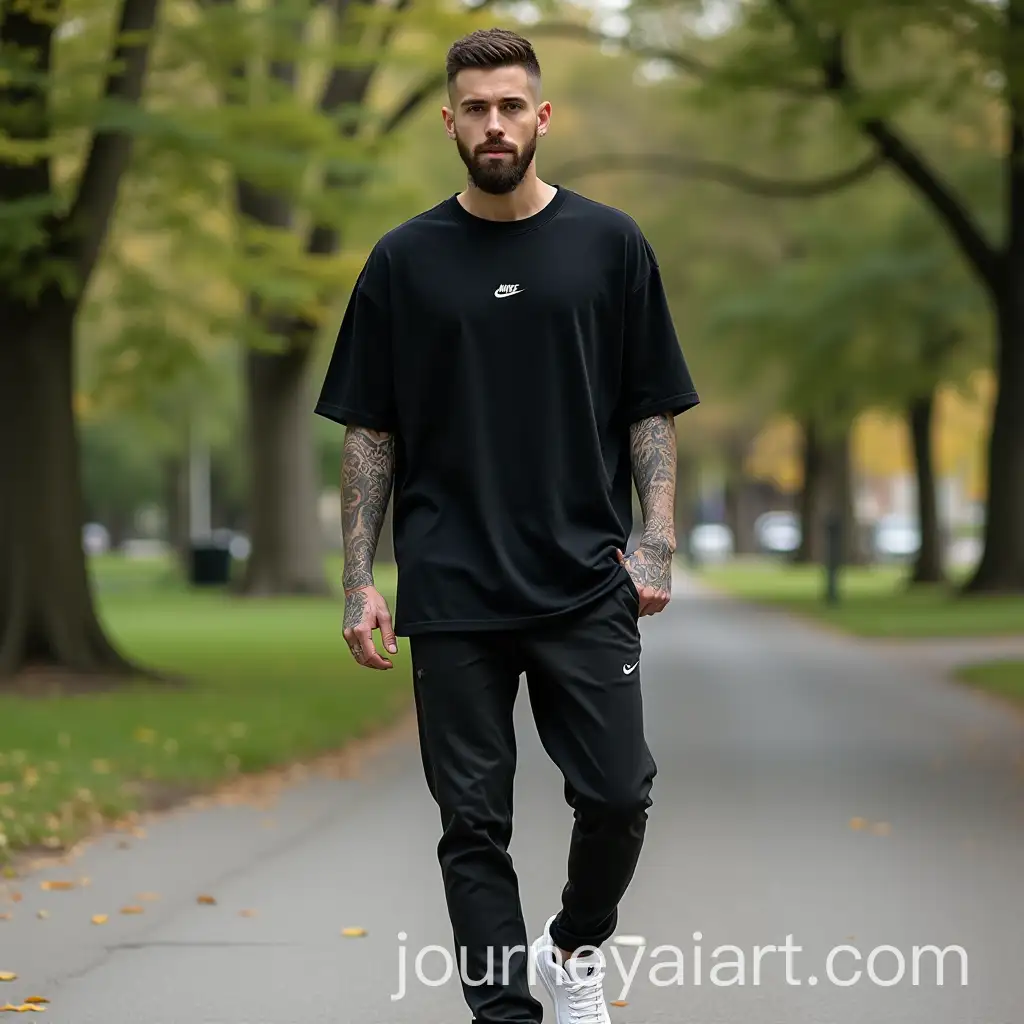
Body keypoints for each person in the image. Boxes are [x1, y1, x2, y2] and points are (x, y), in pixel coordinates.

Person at [314, 26, 699, 1024]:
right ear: (450, 122)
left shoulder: (609, 244)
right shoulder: (403, 260)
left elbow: (649, 404)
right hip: (451, 588)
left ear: (541, 116)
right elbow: (369, 431)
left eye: (510, 105)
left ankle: (575, 947)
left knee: (618, 793)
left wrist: (654, 535)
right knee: (472, 824)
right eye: (475, 108)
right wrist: (360, 575)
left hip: (582, 576)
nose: (494, 123)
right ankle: (506, 1015)